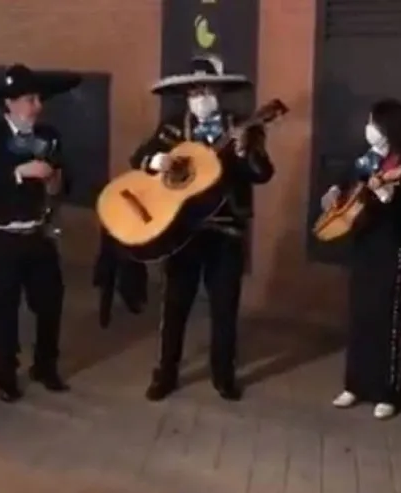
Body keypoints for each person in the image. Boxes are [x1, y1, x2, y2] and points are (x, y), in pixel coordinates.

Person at [131, 55, 273, 402]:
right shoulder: (172, 129)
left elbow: (263, 173)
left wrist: (243, 152)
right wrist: (156, 161)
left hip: (226, 233)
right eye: (194, 91)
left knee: (224, 307)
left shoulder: (244, 126)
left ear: (218, 91)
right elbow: (138, 158)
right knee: (175, 305)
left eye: (206, 89)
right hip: (182, 230)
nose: (200, 96)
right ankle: (166, 373)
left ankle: (223, 376)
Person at [0, 64, 79, 402]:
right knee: (4, 304)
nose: (37, 106)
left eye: (38, 99)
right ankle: (4, 372)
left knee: (50, 301)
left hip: (39, 231)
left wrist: (57, 182)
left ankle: (45, 365)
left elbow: (65, 179)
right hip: (1, 235)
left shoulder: (49, 134)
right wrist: (19, 172)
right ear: (10, 103)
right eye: (30, 99)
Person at [319, 99, 401, 420]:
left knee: (387, 319)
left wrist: (387, 196)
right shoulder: (367, 159)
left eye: (374, 123)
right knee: (360, 314)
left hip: (392, 247)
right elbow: (348, 182)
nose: (369, 129)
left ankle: (388, 391)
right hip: (364, 243)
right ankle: (356, 384)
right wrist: (335, 192)